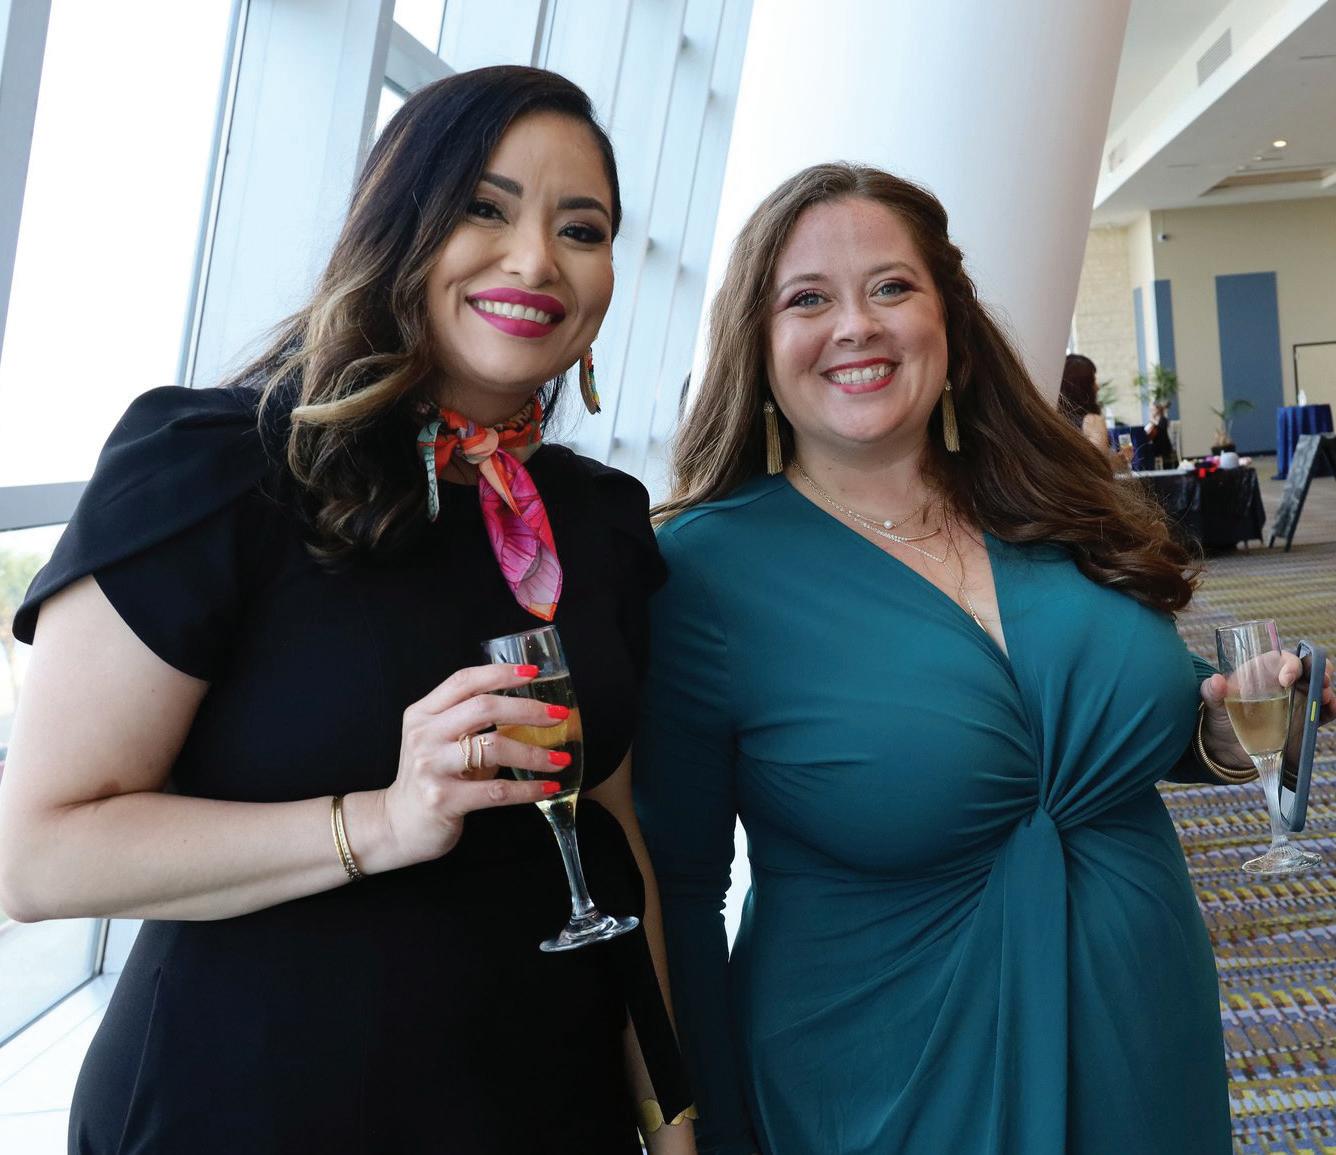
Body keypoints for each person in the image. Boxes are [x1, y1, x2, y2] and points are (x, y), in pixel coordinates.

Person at [0, 66, 696, 1155]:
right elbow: (40, 857)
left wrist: (669, 1116)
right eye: (485, 208)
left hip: (542, 1110)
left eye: (582, 229)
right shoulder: (214, 467)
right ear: (397, 226)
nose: (535, 260)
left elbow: (612, 841)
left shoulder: (596, 518)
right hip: (250, 1109)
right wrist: (381, 820)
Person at [633, 163, 1334, 1155]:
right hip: (888, 1075)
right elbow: (682, 891)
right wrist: (705, 1133)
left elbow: (1147, 717)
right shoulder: (703, 573)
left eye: (891, 286)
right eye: (807, 299)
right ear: (757, 341)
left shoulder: (1052, 501)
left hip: (1143, 1037)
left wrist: (1227, 728)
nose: (856, 325)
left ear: (950, 322)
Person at [1059, 352, 1132, 468]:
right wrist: (1119, 462)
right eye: (1093, 381)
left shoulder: (1052, 417)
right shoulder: (1092, 422)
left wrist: (1117, 460)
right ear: (1082, 387)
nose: (1097, 387)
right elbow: (1098, 467)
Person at [1145, 399, 1179, 468]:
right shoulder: (1154, 421)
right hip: (1157, 446)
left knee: (1148, 450)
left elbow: (1160, 429)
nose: (1151, 412)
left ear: (1157, 410)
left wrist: (1153, 420)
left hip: (1163, 447)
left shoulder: (1163, 420)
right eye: (1150, 410)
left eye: (1152, 410)